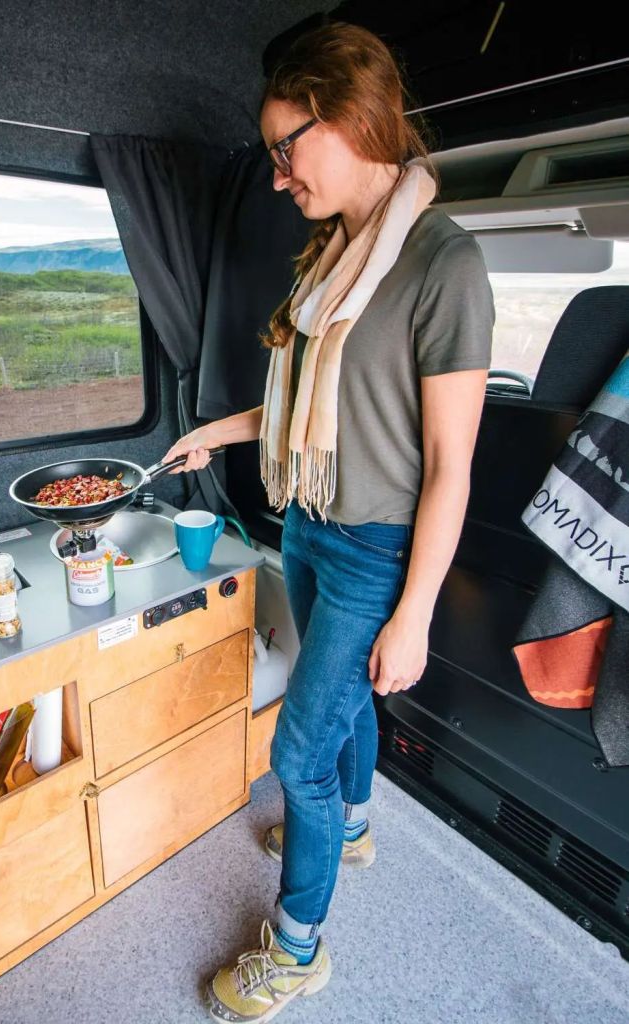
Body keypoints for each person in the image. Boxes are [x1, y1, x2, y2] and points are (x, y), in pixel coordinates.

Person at [163, 22, 495, 1023]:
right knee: (338, 713)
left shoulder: (444, 263)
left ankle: (299, 950)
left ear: (344, 121)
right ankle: (351, 825)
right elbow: (311, 404)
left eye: (282, 147)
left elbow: (451, 468)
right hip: (307, 520)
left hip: (375, 551)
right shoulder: (331, 259)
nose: (275, 176)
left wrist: (417, 614)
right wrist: (213, 433)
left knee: (294, 752)